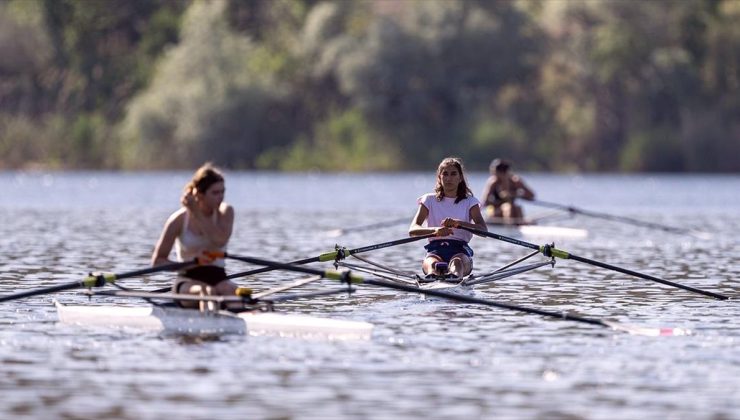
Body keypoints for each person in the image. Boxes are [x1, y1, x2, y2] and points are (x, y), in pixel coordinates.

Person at [151, 163, 238, 309]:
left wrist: (197, 213)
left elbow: (219, 240)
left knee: (233, 292)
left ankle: (242, 319)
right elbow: (158, 262)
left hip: (219, 277)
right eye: (215, 193)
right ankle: (208, 329)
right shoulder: (178, 220)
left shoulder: (226, 212)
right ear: (200, 194)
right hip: (187, 280)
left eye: (223, 192)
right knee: (207, 292)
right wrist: (193, 262)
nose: (221, 197)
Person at [409, 157, 488, 279]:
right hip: (435, 250)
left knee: (456, 262)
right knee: (432, 263)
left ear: (460, 178)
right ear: (439, 178)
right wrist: (435, 231)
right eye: (445, 174)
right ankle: (432, 278)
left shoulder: (470, 202)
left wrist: (459, 223)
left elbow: (483, 231)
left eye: (453, 174)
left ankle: (454, 278)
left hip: (460, 251)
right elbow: (413, 230)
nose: (449, 178)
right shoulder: (429, 200)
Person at [481, 158, 535, 224]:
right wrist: (501, 201)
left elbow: (531, 195)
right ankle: (510, 229)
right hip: (494, 211)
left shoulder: (515, 181)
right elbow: (485, 203)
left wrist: (515, 195)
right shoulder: (493, 182)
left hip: (513, 210)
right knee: (508, 207)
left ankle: (517, 228)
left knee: (517, 208)